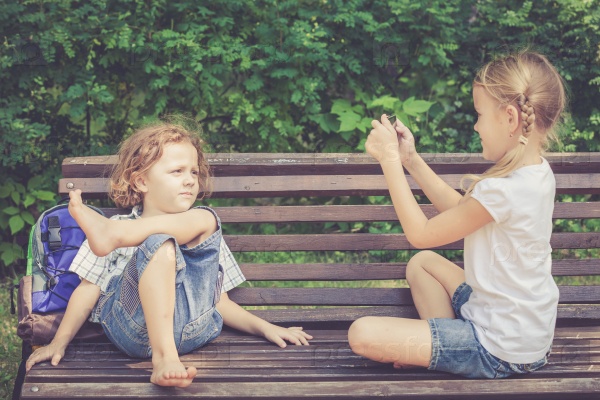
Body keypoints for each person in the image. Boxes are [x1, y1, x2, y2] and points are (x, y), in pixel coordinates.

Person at [25, 121, 312, 387]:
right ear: (140, 182)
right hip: (133, 329)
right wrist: (59, 341)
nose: (189, 180)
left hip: (194, 328)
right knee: (160, 242)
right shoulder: (118, 222)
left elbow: (218, 302)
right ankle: (163, 359)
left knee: (207, 217)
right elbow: (88, 291)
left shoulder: (204, 233)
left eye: (194, 172)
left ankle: (118, 242)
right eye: (177, 171)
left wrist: (266, 328)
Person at [348, 50, 567, 379]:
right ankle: (445, 345)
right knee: (423, 264)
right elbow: (461, 212)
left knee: (362, 335)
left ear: (510, 118)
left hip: (497, 349)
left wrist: (389, 159)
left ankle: (446, 350)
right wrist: (411, 160)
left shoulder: (504, 189)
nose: (476, 125)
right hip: (523, 335)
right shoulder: (536, 173)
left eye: (479, 114)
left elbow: (420, 233)